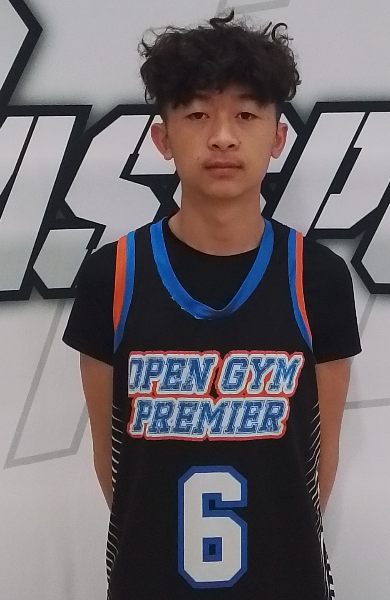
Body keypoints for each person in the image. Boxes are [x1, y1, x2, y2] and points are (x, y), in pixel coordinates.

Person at [63, 10, 361, 600]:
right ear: (162, 138)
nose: (222, 136)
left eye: (246, 115)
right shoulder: (111, 277)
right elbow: (114, 462)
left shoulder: (319, 279)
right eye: (197, 114)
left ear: (277, 138)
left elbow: (318, 460)